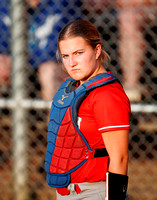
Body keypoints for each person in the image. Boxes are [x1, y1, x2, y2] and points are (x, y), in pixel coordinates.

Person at [45, 20, 131, 200]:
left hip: (93, 192)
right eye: (65, 55)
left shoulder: (106, 94)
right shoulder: (71, 88)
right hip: (68, 191)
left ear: (97, 50)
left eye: (79, 53)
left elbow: (120, 158)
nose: (71, 62)